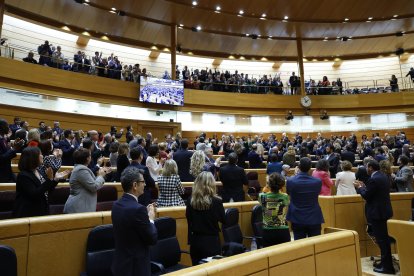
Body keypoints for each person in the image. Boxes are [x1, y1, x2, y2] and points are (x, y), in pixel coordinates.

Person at [111, 167, 158, 276]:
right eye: (143, 182)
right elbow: (152, 238)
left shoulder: (116, 205)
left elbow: (131, 226)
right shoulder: (138, 209)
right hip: (135, 268)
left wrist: (143, 216)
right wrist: (150, 219)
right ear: (135, 185)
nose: (145, 184)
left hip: (120, 265)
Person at [354, 160, 395, 274]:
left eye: (367, 167)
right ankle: (385, 263)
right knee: (384, 240)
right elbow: (374, 192)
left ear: (371, 168)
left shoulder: (374, 178)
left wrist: (359, 187)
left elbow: (367, 195)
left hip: (378, 214)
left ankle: (387, 267)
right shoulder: (382, 175)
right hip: (383, 211)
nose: (366, 169)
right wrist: (364, 186)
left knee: (382, 241)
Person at [13, 147, 69, 218]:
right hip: (29, 213)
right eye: (40, 154)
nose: (42, 156)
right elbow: (35, 194)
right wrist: (49, 179)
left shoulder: (38, 171)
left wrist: (55, 180)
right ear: (33, 158)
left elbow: (46, 190)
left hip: (41, 210)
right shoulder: (23, 176)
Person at [186, 171, 225, 265]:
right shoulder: (216, 201)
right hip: (211, 242)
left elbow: (189, 219)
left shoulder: (190, 200)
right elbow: (223, 219)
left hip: (195, 242)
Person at [63, 148, 111, 214]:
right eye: (90, 155)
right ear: (88, 158)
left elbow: (92, 183)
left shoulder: (81, 169)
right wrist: (100, 176)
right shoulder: (81, 170)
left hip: (81, 206)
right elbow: (94, 187)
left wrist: (103, 173)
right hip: (78, 207)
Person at [286, 157, 324, 240]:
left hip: (297, 217)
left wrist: (296, 175)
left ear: (299, 167)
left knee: (300, 246)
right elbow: (318, 193)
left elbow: (289, 193)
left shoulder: (290, 180)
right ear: (310, 167)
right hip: (314, 216)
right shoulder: (317, 181)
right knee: (315, 245)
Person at [259, 173, 290, 247]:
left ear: (268, 184)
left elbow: (269, 212)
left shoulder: (262, 197)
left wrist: (267, 185)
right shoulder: (285, 197)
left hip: (268, 230)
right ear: (282, 185)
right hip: (283, 230)